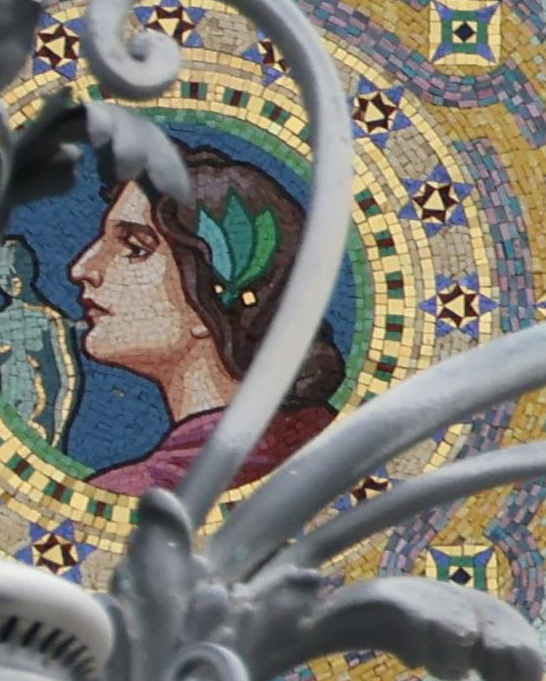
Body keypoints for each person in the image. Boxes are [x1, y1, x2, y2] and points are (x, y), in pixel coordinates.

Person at [68, 143, 348, 500]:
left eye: (136, 248)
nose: (83, 269)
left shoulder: (134, 497)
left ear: (212, 296)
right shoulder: (342, 445)